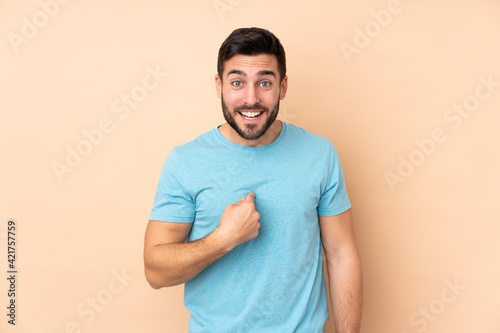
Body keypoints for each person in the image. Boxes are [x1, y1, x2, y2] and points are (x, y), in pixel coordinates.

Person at [144, 27, 362, 333]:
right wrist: (223, 239)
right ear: (219, 85)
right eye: (237, 83)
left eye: (264, 83)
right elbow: (155, 271)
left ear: (283, 87)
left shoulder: (319, 154)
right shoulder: (185, 162)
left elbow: (341, 255)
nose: (251, 99)